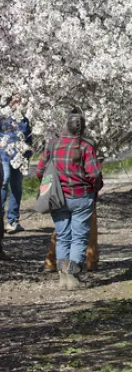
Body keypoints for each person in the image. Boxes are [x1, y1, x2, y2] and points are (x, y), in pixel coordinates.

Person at [36, 111, 103, 290]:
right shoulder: (85, 147)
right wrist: (95, 187)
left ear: (65, 126)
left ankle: (62, 276)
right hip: (81, 196)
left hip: (58, 197)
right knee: (79, 237)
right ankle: (73, 274)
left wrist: (50, 187)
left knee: (63, 236)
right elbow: (94, 174)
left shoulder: (52, 146)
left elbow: (40, 171)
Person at [1, 95, 33, 234]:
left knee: (16, 187)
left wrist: (27, 153)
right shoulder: (3, 116)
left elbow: (28, 137)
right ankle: (1, 218)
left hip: (20, 158)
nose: (20, 103)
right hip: (5, 157)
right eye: (17, 100)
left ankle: (13, 220)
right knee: (4, 182)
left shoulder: (24, 119)